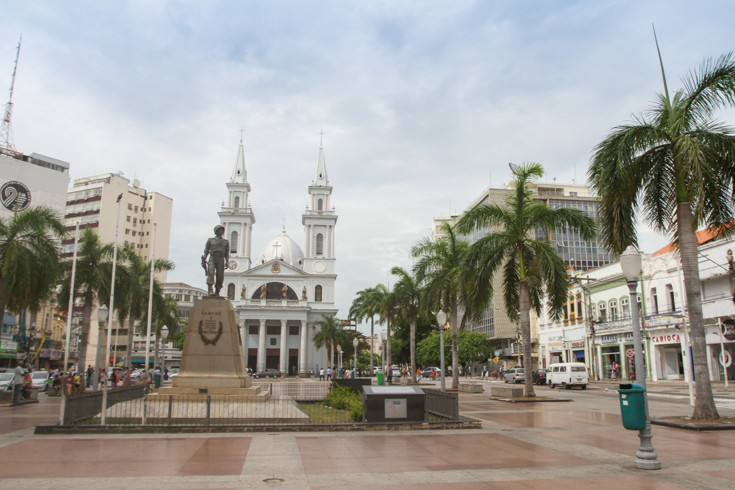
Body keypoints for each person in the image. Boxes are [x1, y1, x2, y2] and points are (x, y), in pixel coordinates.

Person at [201, 225, 230, 296]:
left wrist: (227, 261)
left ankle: (217, 290)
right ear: (216, 231)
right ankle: (210, 289)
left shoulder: (226, 242)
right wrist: (204, 258)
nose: (221, 231)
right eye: (219, 230)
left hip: (221, 259)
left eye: (222, 230)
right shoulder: (210, 240)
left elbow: (227, 253)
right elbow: (206, 251)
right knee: (211, 273)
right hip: (212, 258)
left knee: (220, 276)